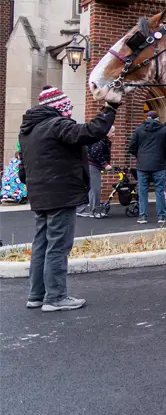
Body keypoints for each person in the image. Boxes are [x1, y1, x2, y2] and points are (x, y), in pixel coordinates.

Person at [19, 86, 117, 312]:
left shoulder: (28, 131)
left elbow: (22, 171)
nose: (70, 110)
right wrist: (110, 107)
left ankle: (37, 295)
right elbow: (90, 132)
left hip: (40, 195)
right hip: (61, 194)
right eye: (67, 106)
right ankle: (55, 297)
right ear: (58, 106)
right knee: (58, 245)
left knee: (41, 244)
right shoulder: (57, 125)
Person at [128, 110, 166, 224]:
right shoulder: (165, 130)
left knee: (142, 191)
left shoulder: (138, 130)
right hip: (159, 164)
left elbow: (131, 147)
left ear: (147, 118)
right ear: (157, 119)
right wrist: (163, 157)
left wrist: (140, 156)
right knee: (160, 190)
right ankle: (161, 216)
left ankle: (143, 216)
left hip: (142, 165)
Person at [77, 126, 114, 217]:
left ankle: (84, 209)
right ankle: (94, 211)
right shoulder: (98, 140)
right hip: (92, 166)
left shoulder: (103, 140)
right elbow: (95, 153)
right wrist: (105, 164)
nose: (113, 134)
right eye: (112, 132)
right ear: (107, 131)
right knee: (95, 189)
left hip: (93, 165)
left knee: (92, 189)